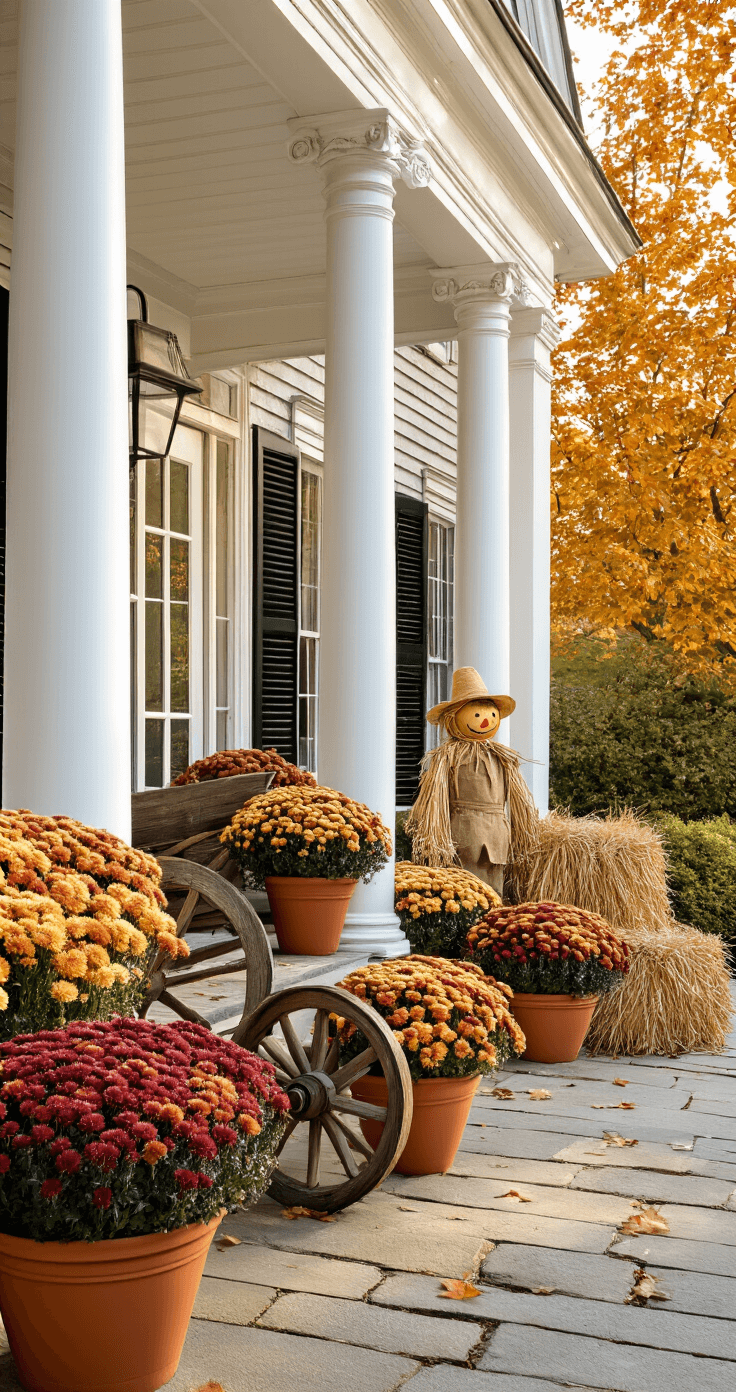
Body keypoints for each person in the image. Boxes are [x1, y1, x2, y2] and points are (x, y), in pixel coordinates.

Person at [406, 666, 538, 897]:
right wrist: (433, 833)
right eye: (476, 715)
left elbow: (516, 798)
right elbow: (434, 799)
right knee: (464, 889)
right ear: (453, 718)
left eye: (490, 714)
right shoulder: (447, 757)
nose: (485, 720)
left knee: (494, 888)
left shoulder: (502, 757)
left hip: (498, 834)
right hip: (463, 832)